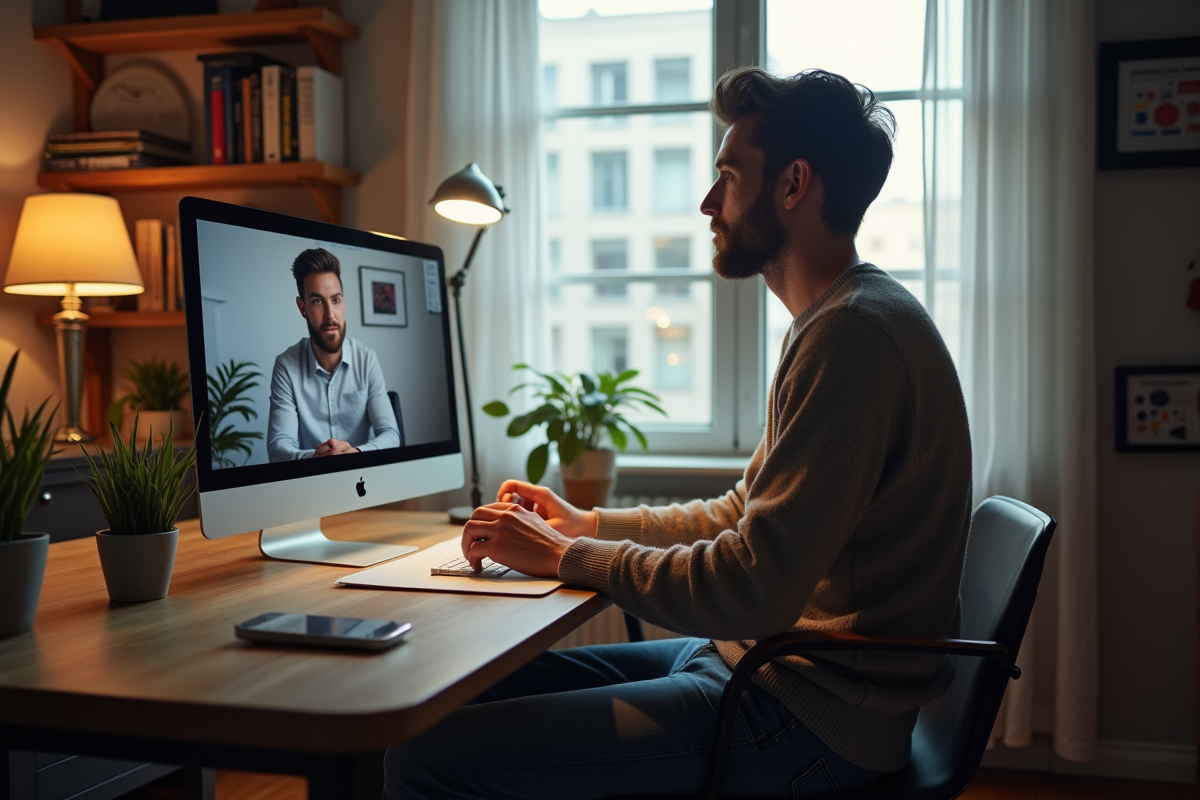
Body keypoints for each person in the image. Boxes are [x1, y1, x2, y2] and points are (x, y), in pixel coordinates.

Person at [384, 67, 972, 798]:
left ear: (793, 185)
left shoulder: (851, 338)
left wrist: (569, 556)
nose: (706, 201)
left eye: (728, 175)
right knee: (453, 694)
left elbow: (755, 586)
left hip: (801, 719)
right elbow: (740, 514)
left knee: (426, 757)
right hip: (758, 671)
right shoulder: (837, 320)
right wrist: (586, 521)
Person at [267, 248, 400, 462]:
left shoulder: (367, 360)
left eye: (336, 300)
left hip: (362, 484)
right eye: (318, 301)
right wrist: (316, 457)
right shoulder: (286, 366)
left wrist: (355, 453)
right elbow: (277, 448)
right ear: (303, 308)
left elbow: (391, 435)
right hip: (312, 486)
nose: (330, 315)